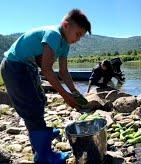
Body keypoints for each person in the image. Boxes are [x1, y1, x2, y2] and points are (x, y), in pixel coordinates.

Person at [0, 9, 91, 163]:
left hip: (29, 67)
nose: (78, 39)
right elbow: (47, 70)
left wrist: (75, 92)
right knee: (32, 109)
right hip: (14, 67)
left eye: (81, 36)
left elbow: (63, 72)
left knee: (40, 101)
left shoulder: (65, 44)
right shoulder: (53, 34)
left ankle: (42, 135)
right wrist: (65, 96)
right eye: (78, 34)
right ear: (66, 25)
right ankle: (44, 157)